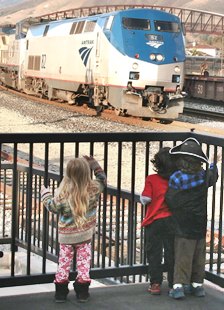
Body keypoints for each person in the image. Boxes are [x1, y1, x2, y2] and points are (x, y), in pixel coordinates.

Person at [40, 155, 106, 303]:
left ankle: (60, 294)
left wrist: (45, 193)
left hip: (66, 237)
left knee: (64, 264)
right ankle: (82, 293)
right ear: (86, 174)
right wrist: (94, 164)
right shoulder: (93, 189)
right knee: (83, 264)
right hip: (85, 236)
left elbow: (51, 206)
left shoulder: (63, 195)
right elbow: (102, 179)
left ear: (68, 174)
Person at [166, 137, 218, 300]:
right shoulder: (204, 175)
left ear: (181, 160)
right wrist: (213, 165)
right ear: (198, 162)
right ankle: (198, 285)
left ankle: (179, 286)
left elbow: (171, 199)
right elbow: (213, 176)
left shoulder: (176, 177)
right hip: (200, 221)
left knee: (183, 254)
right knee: (199, 253)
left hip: (182, 223)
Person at [140, 147, 177, 295]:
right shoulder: (176, 179)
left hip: (154, 221)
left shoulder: (151, 179)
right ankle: (174, 283)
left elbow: (145, 199)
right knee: (171, 252)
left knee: (154, 253)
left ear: (157, 164)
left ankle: (155, 283)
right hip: (172, 220)